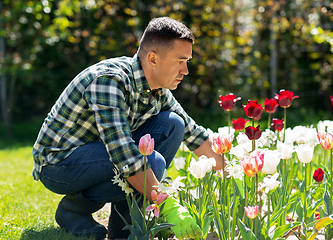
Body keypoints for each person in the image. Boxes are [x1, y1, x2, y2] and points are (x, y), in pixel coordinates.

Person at [32, 17, 224, 240]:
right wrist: (168, 204)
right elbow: (123, 153)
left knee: (174, 124)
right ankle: (74, 210)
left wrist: (239, 179)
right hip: (60, 163)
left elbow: (195, 135)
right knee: (151, 161)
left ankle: (123, 227)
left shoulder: (157, 90)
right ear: (153, 58)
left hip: (99, 154)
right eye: (180, 61)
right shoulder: (109, 81)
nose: (186, 70)